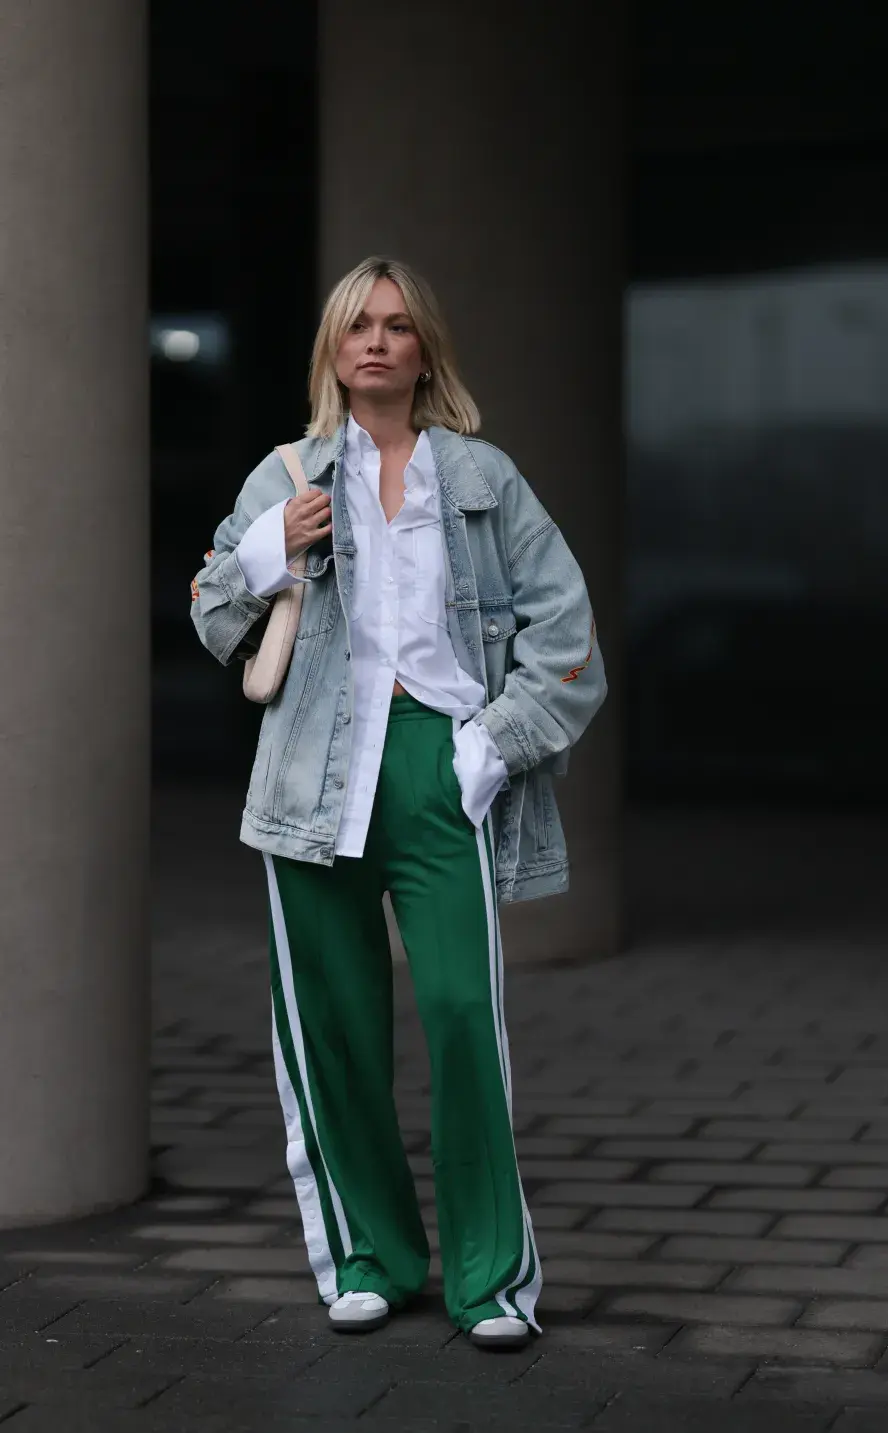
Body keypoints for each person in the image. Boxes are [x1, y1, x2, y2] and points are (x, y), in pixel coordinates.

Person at [190, 256, 606, 1348]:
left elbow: (568, 640)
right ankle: (369, 1253)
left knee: (465, 1016)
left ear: (426, 348)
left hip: (439, 763)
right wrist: (264, 551)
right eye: (357, 325)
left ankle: (490, 1279)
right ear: (334, 347)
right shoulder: (285, 475)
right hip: (309, 775)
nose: (376, 340)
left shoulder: (482, 477)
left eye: (397, 325)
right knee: (328, 1025)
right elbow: (210, 612)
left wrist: (491, 747)